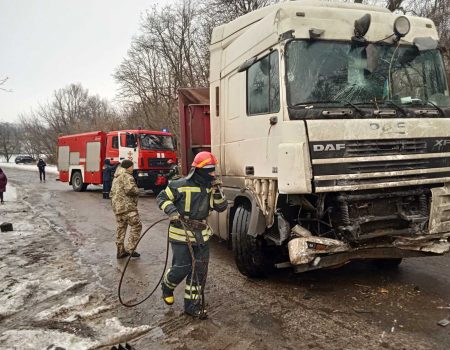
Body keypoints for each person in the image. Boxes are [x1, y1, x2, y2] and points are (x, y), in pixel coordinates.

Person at [156, 151, 227, 318]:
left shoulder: (211, 187)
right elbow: (161, 198)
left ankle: (192, 305)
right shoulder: (178, 184)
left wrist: (217, 190)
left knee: (200, 271)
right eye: (209, 170)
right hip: (181, 232)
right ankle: (167, 286)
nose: (212, 173)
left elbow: (221, 207)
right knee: (182, 268)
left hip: (202, 234)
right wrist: (172, 210)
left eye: (213, 169)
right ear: (198, 170)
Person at [110, 159, 142, 259]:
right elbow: (130, 189)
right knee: (137, 225)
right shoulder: (127, 176)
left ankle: (120, 251)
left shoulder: (116, 177)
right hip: (128, 207)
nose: (133, 168)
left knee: (121, 228)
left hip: (118, 208)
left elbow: (111, 193)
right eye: (132, 166)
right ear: (128, 167)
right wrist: (138, 190)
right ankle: (131, 249)